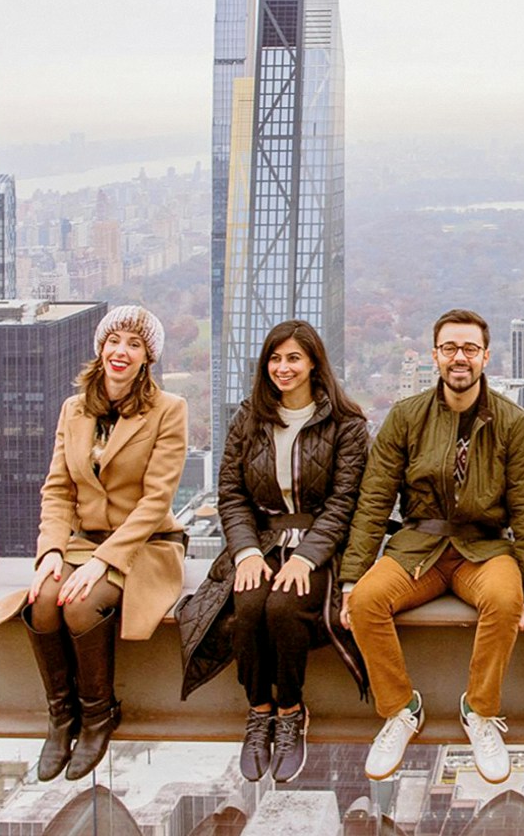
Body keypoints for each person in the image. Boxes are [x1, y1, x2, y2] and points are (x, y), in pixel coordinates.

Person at [339, 309, 524, 784]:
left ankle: (480, 711)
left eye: (470, 349)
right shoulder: (406, 416)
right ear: (435, 355)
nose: (460, 358)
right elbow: (374, 499)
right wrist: (352, 577)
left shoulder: (512, 422)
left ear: (485, 357)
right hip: (420, 547)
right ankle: (400, 709)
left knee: (505, 600)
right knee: (367, 602)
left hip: (484, 548)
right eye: (450, 348)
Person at [181, 321, 370, 783]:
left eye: (293, 359)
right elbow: (232, 494)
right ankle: (258, 710)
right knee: (247, 607)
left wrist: (306, 557)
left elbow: (345, 502)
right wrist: (246, 551)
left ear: (314, 364)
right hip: (262, 540)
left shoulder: (346, 424)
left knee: (284, 608)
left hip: (319, 546)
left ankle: (289, 711)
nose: (283, 368)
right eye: (275, 359)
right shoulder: (249, 418)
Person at [12, 305, 188, 781]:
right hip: (80, 542)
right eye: (114, 341)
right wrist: (51, 550)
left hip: (144, 544)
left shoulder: (168, 409)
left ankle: (98, 714)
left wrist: (104, 561)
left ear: (148, 357)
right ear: (101, 348)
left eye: (134, 344)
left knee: (81, 604)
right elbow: (58, 490)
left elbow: (156, 501)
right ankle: (61, 716)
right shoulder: (74, 409)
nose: (121, 351)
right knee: (42, 600)